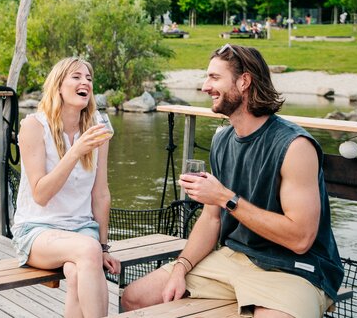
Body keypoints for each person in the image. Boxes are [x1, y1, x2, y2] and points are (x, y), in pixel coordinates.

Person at [122, 44, 343, 317]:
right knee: (135, 298)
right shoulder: (222, 140)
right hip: (233, 259)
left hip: (293, 269)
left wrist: (226, 198)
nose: (205, 87)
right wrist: (181, 268)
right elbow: (210, 220)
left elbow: (301, 239)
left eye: (214, 78)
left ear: (244, 81)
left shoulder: (295, 146)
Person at [11, 57, 119, 318]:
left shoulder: (97, 129)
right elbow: (41, 194)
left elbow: (100, 193)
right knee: (86, 251)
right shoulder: (34, 126)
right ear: (58, 85)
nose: (85, 82)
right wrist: (75, 152)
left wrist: (104, 247)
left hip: (82, 230)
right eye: (77, 77)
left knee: (77, 273)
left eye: (89, 78)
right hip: (37, 229)